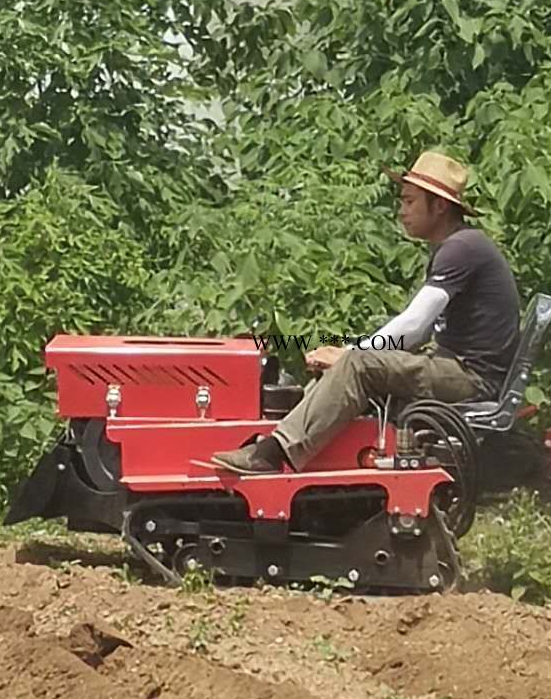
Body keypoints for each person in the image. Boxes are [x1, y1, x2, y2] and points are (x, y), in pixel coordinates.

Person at [211, 150, 521, 475]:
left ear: (440, 206)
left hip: (472, 378)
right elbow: (417, 333)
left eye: (409, 202)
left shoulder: (461, 248)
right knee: (351, 362)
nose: (401, 212)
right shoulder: (458, 248)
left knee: (358, 362)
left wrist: (351, 353)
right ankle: (288, 445)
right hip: (455, 367)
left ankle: (269, 455)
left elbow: (415, 326)